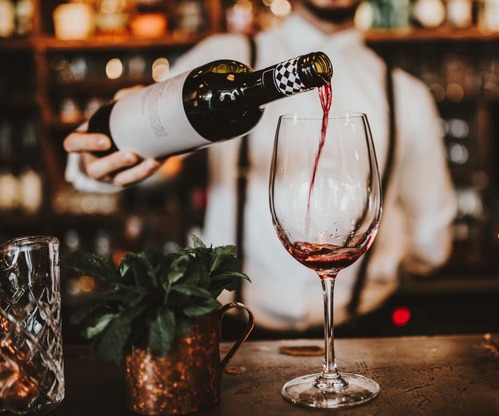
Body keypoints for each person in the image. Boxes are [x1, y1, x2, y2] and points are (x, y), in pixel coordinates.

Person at [63, 0, 457, 334]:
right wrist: (98, 158)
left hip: (365, 334)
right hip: (234, 329)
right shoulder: (223, 58)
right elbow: (146, 141)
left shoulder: (408, 95)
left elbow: (433, 240)